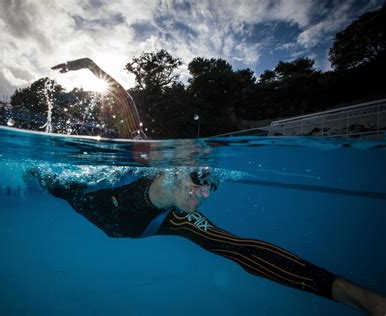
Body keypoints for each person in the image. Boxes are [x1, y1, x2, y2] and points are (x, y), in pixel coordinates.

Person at [43, 58, 386, 315]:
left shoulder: (179, 220)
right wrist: (89, 65)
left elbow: (240, 249)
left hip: (115, 225)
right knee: (51, 181)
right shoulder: (142, 155)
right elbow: (121, 99)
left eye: (213, 186)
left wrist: (349, 292)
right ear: (176, 169)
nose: (206, 193)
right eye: (201, 179)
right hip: (83, 197)